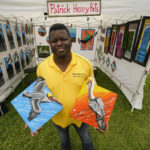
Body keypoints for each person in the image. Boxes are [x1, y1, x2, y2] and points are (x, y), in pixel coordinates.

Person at [36, 23, 95, 150]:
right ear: (49, 43)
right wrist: (34, 117)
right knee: (64, 142)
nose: (59, 43)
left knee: (87, 141)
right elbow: (39, 93)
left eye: (63, 39)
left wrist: (100, 116)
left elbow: (93, 91)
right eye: (54, 41)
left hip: (81, 116)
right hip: (59, 118)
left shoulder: (85, 64)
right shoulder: (42, 68)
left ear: (71, 41)